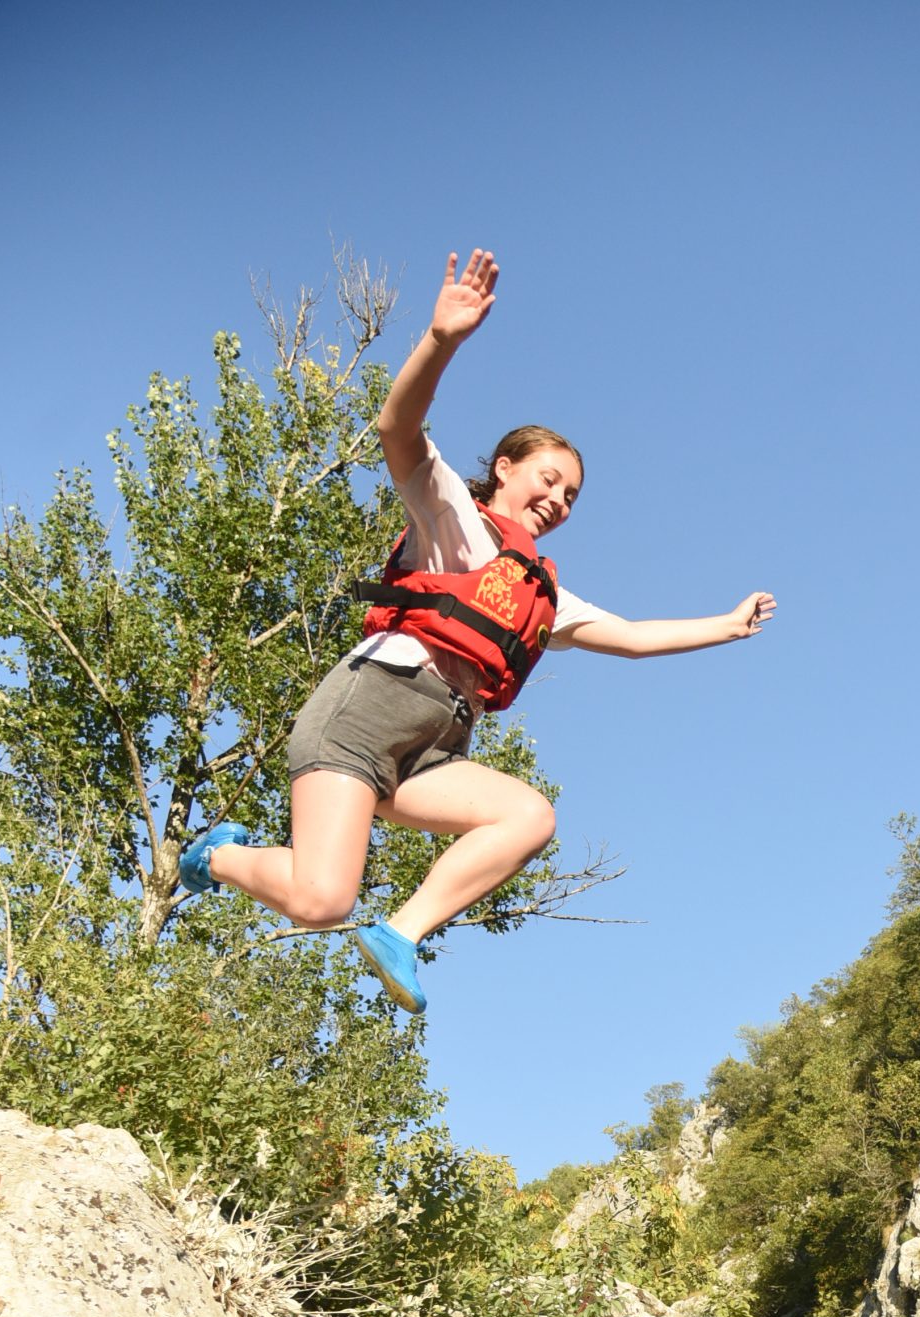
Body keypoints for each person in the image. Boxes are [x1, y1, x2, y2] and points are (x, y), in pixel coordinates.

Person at [179, 247, 775, 1015]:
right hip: (370, 709)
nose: (558, 499)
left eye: (571, 497)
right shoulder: (456, 523)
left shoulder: (537, 593)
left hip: (435, 745)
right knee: (322, 901)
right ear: (504, 469)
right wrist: (443, 338)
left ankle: (400, 933)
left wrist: (724, 627)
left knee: (529, 815)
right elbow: (398, 426)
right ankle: (220, 853)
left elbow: (629, 637)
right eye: (547, 479)